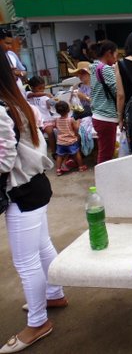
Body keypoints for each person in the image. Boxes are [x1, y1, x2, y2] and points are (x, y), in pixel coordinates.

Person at [0, 47, 67, 354]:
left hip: (22, 191)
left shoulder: (3, 108)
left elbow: (3, 160)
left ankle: (38, 322)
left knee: (26, 262)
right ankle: (54, 293)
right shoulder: (16, 102)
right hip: (35, 186)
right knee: (41, 247)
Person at [90, 40, 119, 164]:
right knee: (106, 154)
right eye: (115, 55)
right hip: (106, 117)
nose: (116, 59)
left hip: (98, 115)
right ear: (109, 53)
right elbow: (118, 92)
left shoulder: (94, 66)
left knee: (104, 151)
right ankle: (103, 181)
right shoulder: (106, 69)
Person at [26, 76, 57, 159]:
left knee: (50, 133)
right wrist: (45, 93)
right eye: (39, 88)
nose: (42, 90)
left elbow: (51, 104)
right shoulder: (28, 94)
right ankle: (38, 153)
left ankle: (54, 152)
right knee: (36, 136)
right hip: (35, 121)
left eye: (43, 88)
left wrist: (52, 101)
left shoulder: (45, 97)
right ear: (32, 87)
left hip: (46, 120)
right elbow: (34, 94)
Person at [53, 100, 87, 175]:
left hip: (60, 142)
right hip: (71, 141)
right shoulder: (70, 120)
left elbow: (55, 127)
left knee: (59, 155)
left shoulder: (56, 120)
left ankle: (58, 170)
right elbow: (76, 128)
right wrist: (78, 121)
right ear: (68, 110)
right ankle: (81, 166)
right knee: (76, 153)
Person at [0, 29, 27, 96]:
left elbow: (24, 72)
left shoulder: (11, 54)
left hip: (20, 94)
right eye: (7, 43)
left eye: (10, 44)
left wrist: (19, 73)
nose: (10, 47)